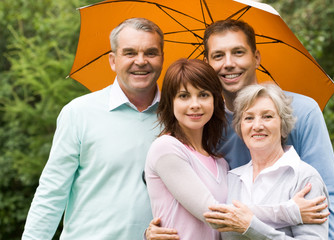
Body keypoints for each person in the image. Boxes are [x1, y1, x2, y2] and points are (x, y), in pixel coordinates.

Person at [203, 19, 334, 239]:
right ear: (207, 64)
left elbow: (328, 199)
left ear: (256, 58)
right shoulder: (206, 125)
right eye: (218, 56)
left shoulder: (302, 111)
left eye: (238, 52)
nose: (228, 63)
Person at [22, 18, 164, 239]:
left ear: (162, 59)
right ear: (112, 60)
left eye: (151, 52)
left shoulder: (178, 117)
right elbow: (52, 193)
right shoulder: (78, 113)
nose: (141, 61)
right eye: (129, 53)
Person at [204, 83, 329, 239]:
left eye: (267, 116)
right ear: (240, 127)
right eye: (249, 118)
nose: (257, 126)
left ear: (283, 125)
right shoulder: (232, 178)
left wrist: (251, 226)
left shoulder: (304, 178)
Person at [145, 58, 229, 240]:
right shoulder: (166, 148)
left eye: (204, 95)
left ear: (215, 100)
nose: (195, 104)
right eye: (184, 96)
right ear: (170, 101)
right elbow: (213, 216)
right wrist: (291, 211)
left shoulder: (221, 163)